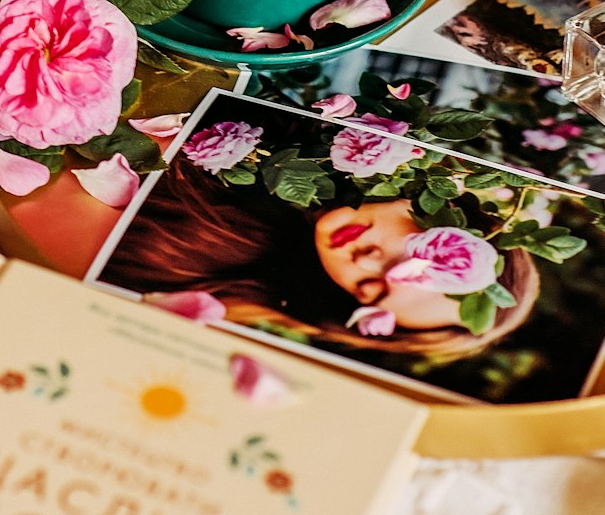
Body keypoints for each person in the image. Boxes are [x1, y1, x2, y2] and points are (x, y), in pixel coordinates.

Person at [99, 149, 539, 359]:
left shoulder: (202, 268)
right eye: (415, 259)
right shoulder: (312, 134)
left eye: (368, 290)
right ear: (452, 212)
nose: (364, 260)